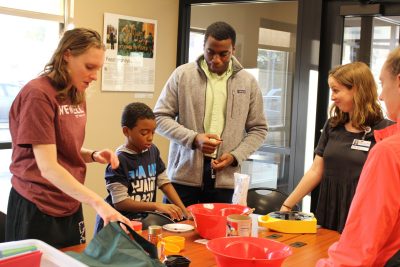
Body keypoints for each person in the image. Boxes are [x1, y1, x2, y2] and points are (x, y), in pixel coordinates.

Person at [6, 28, 131, 249]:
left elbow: (62, 149)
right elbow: (48, 167)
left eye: (98, 69)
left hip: (69, 202)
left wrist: (91, 155)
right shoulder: (38, 95)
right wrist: (98, 202)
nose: (94, 76)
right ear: (67, 55)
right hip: (37, 204)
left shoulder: (75, 92)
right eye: (89, 67)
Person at [154, 21, 268, 206]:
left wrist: (235, 156)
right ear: (203, 47)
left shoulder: (248, 82)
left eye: (223, 54)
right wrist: (194, 139)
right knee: (175, 232)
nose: (216, 59)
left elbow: (259, 129)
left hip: (226, 179)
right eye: (210, 52)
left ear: (233, 50)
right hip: (183, 177)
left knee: (220, 234)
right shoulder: (182, 75)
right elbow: (158, 118)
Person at [280, 62, 394, 233]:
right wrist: (287, 205)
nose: (332, 97)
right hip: (329, 209)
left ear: (357, 90)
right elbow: (315, 171)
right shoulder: (332, 126)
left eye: (336, 90)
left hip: (362, 215)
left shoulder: (387, 131)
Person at [316, 47, 400, 267]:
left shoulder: (387, 149)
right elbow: (317, 169)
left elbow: (359, 249)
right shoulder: (333, 125)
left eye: (383, 83)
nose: (381, 95)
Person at [94, 102, 190, 233]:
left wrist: (185, 211)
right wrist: (156, 206)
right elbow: (120, 202)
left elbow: (164, 183)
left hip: (142, 222)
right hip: (119, 226)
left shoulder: (153, 151)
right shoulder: (119, 160)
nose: (150, 138)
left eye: (153, 132)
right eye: (144, 133)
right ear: (126, 131)